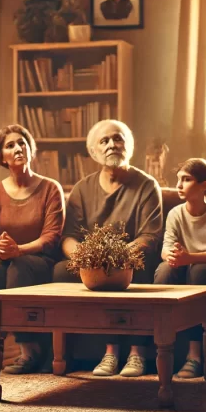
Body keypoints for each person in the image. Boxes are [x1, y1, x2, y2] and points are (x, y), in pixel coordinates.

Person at [53, 120, 162, 377]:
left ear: (129, 146)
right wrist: (85, 257)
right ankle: (105, 352)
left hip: (130, 257)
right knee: (60, 270)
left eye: (118, 139)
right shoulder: (82, 189)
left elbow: (150, 235)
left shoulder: (147, 186)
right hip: (91, 261)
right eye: (104, 141)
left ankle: (137, 353)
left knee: (138, 266)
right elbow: (68, 236)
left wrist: (117, 257)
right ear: (93, 151)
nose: (112, 144)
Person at [0, 125, 65, 374]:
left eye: (22, 143)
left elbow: (51, 238)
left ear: (31, 150)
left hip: (38, 259)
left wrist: (18, 250)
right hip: (3, 256)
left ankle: (29, 350)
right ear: (2, 157)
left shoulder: (51, 188)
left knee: (17, 267)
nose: (18, 148)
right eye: (10, 145)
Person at [153, 158, 206, 379]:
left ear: (204, 186)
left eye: (186, 180)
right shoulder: (176, 213)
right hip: (181, 264)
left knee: (198, 272)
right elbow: (166, 248)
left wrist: (190, 258)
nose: (179, 184)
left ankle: (195, 356)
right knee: (163, 271)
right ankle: (160, 346)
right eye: (178, 179)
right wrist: (173, 257)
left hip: (205, 267)